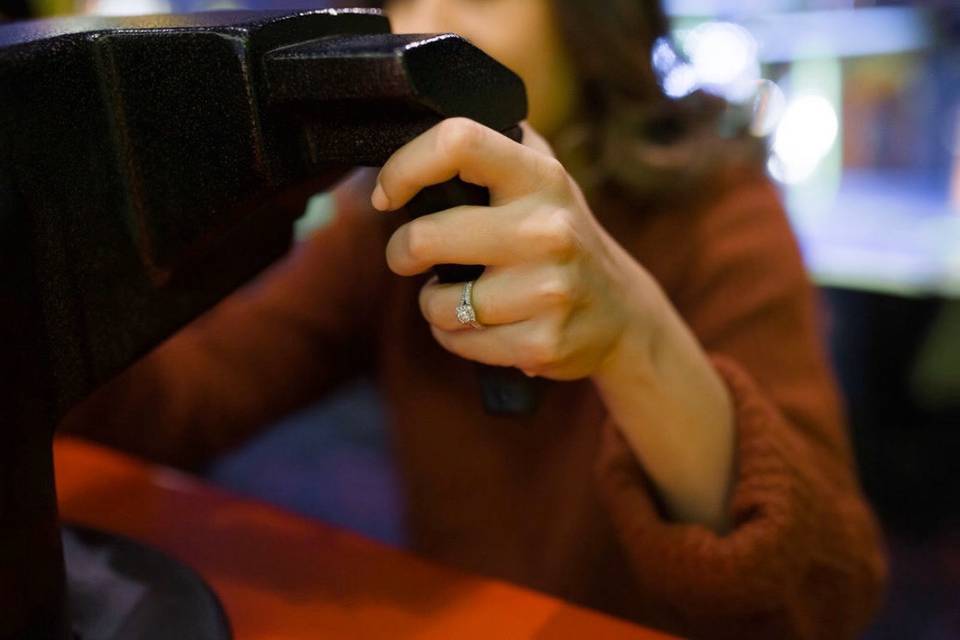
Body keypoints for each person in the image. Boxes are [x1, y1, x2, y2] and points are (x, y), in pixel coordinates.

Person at [62, 0, 887, 637]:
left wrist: (633, 335)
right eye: (404, 0)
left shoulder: (719, 214)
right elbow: (184, 406)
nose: (424, 31)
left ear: (587, 26)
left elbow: (825, 595)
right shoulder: (393, 228)